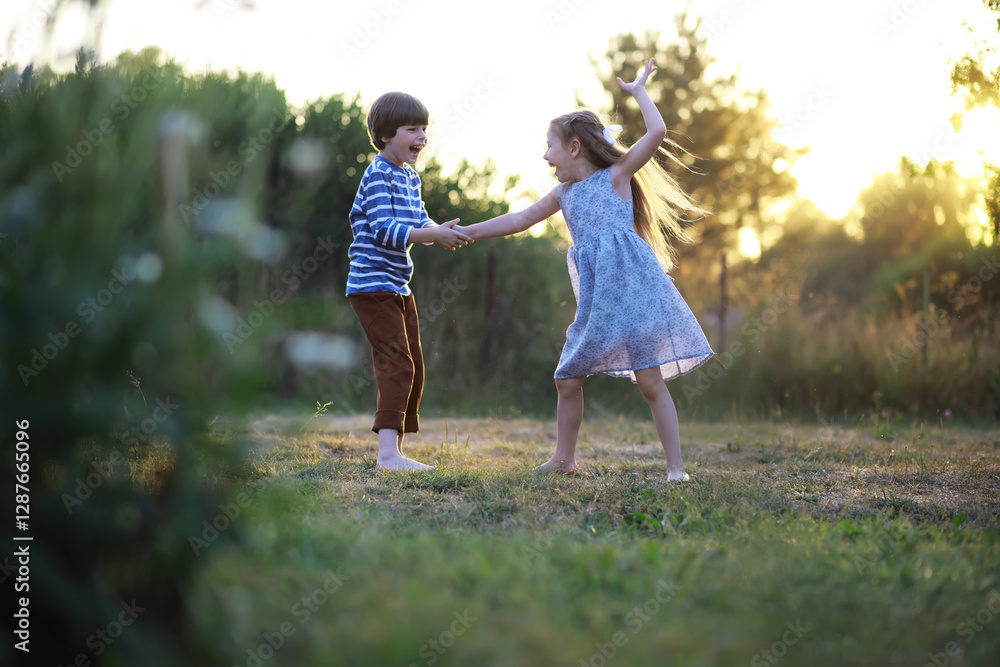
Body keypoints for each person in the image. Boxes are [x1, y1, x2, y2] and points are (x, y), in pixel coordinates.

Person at [464, 59, 713, 481]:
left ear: (574, 147)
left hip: (633, 294)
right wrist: (468, 232)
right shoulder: (563, 194)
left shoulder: (616, 176)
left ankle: (676, 469)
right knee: (567, 377)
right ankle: (564, 459)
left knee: (650, 383)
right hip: (597, 303)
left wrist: (639, 92)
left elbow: (656, 133)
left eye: (549, 145)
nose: (545, 154)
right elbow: (519, 219)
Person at [346, 91, 472, 472]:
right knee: (397, 363)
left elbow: (419, 219)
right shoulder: (377, 174)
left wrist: (442, 230)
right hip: (372, 286)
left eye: (424, 129)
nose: (422, 137)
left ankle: (395, 452)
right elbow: (385, 230)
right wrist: (432, 235)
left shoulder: (409, 177)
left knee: (412, 363)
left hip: (397, 285)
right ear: (386, 135)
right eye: (412, 129)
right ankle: (387, 456)